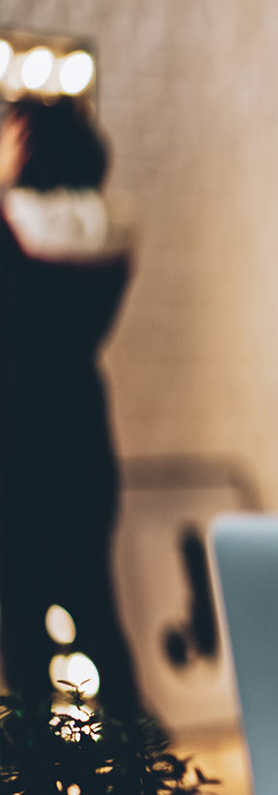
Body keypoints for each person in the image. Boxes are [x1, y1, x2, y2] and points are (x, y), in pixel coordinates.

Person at [0, 97, 145, 720]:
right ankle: (145, 765)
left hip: (17, 440)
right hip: (84, 436)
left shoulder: (9, 230)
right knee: (97, 614)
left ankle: (38, 772)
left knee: (27, 628)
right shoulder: (112, 236)